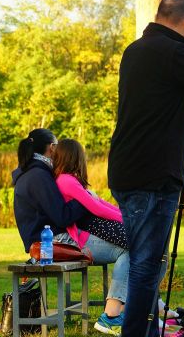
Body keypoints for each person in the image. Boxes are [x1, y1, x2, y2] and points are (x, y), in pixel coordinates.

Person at [108, 0, 184, 337]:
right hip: (154, 175)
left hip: (127, 170)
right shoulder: (173, 53)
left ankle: (147, 331)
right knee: (147, 265)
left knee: (145, 262)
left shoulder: (134, 51)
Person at [12, 129, 129, 336]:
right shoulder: (39, 175)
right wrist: (84, 200)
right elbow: (63, 217)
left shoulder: (32, 172)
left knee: (129, 247)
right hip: (51, 242)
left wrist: (87, 198)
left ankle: (135, 308)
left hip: (48, 240)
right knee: (127, 250)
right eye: (56, 145)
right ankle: (112, 316)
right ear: (51, 147)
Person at [52, 138, 129, 334]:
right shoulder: (66, 181)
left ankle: (124, 311)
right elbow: (96, 208)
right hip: (78, 241)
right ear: (76, 158)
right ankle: (111, 315)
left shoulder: (70, 180)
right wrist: (127, 220)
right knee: (127, 252)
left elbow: (101, 203)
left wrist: (124, 216)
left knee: (132, 250)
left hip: (84, 236)